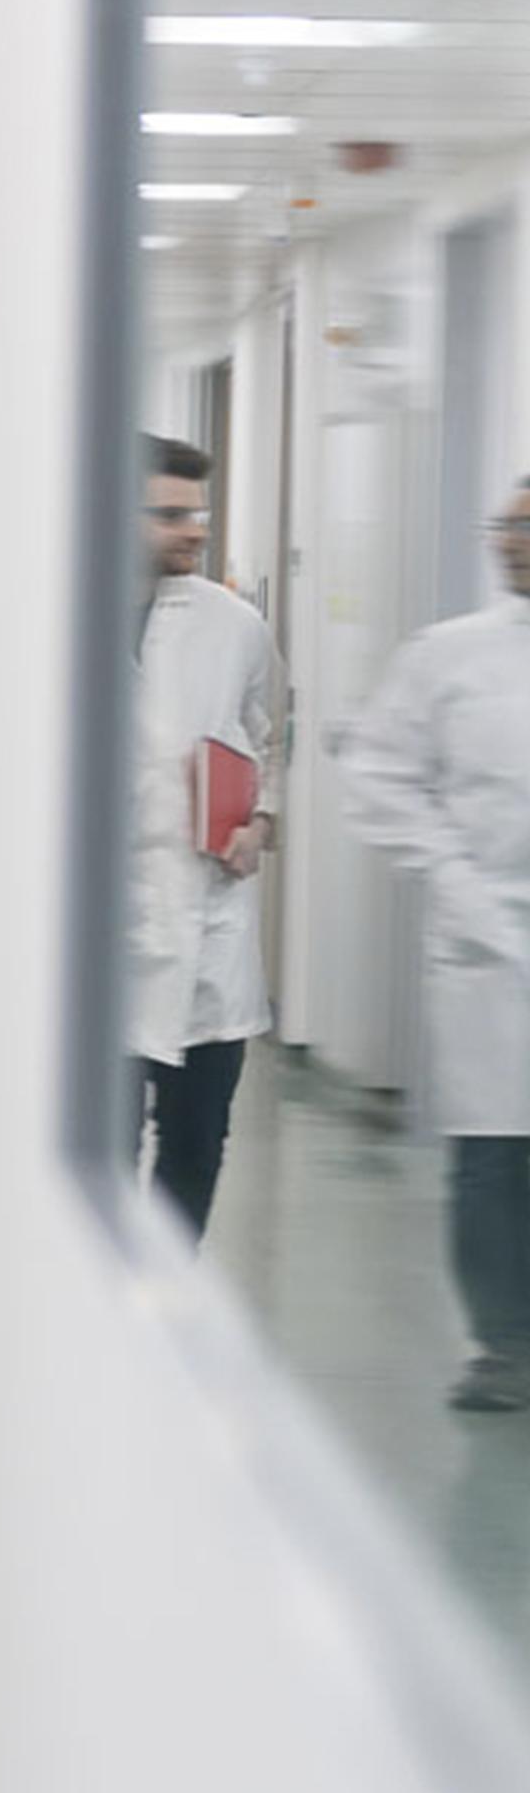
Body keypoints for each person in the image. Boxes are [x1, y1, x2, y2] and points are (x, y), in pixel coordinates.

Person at [342, 480, 530, 1412]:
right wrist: (455, 881)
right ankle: (506, 1347)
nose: (517, 543)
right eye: (510, 525)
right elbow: (378, 775)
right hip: (492, 947)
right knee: (496, 1159)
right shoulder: (448, 656)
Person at [128, 435, 284, 1241]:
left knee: (196, 1147)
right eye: (171, 514)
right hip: (103, 944)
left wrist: (262, 821)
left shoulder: (235, 627)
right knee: (97, 1152)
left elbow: (270, 739)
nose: (194, 530)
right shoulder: (48, 616)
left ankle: (159, 1308)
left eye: (199, 513)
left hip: (207, 926)